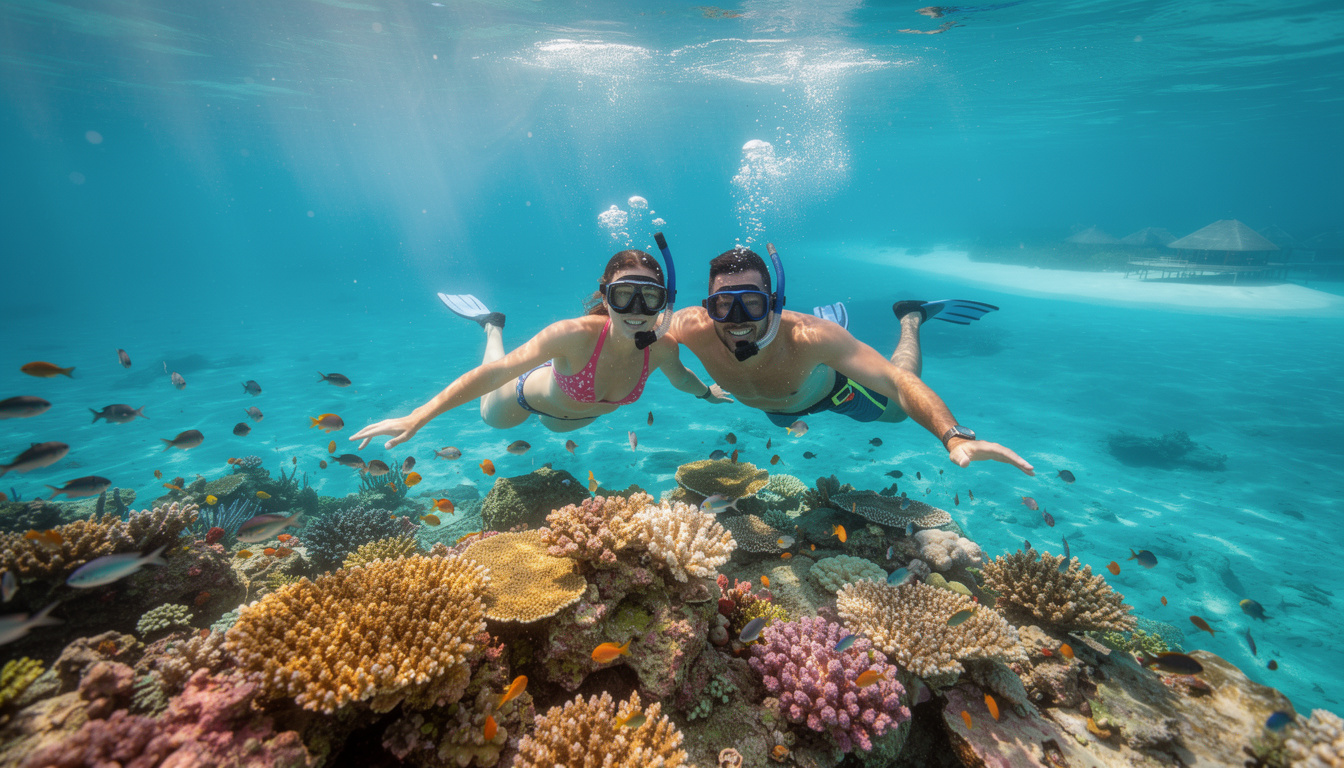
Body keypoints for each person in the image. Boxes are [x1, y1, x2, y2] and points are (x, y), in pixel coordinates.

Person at [669, 244, 1033, 474]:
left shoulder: (807, 337)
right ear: (707, 307)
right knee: (785, 417)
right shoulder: (689, 327)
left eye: (752, 303)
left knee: (897, 412)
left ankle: (910, 317)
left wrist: (953, 436)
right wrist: (704, 393)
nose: (737, 320)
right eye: (722, 304)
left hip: (832, 392)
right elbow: (635, 319)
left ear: (774, 305)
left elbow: (897, 381)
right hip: (780, 408)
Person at [351, 243, 730, 451]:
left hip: (565, 421)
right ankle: (492, 327)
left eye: (648, 297)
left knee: (553, 428)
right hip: (523, 401)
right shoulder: (573, 334)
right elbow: (495, 373)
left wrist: (706, 395)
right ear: (605, 296)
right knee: (491, 416)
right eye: (623, 295)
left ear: (664, 302)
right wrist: (419, 415)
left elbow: (681, 378)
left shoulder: (662, 347)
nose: (636, 310)